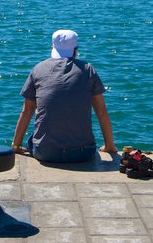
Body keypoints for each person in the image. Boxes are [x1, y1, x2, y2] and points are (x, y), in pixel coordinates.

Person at [12, 29, 117, 163]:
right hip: (83, 152)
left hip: (45, 152)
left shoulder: (38, 69)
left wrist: (16, 145)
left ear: (53, 47)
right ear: (75, 50)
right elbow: (101, 112)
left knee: (33, 139)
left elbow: (27, 111)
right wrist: (109, 146)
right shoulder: (88, 70)